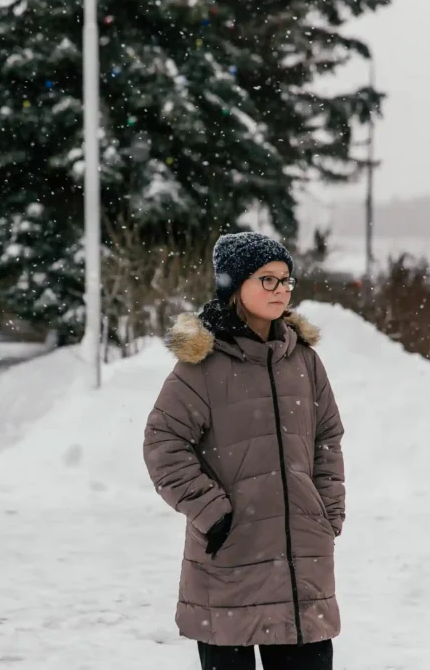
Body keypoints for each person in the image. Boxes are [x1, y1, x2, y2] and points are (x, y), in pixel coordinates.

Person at [142, 232, 345, 670]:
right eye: (267, 280)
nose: (281, 290)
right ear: (235, 286)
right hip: (230, 559)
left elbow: (327, 437)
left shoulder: (304, 360)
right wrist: (213, 513)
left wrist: (327, 512)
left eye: (286, 280)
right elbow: (163, 442)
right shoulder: (202, 364)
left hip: (299, 567)